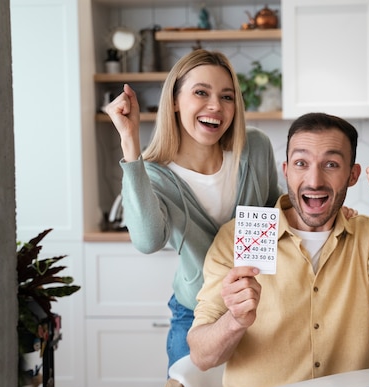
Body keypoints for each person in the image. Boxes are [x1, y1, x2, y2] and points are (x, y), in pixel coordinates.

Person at [187, 112, 369, 387]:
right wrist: (235, 321)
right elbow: (202, 357)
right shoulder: (237, 237)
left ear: (353, 175)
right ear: (286, 171)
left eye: (331, 164)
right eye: (301, 163)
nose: (314, 180)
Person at [104, 49, 282, 368]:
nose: (216, 106)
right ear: (174, 100)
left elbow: (275, 215)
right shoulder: (154, 174)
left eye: (227, 97)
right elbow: (148, 241)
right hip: (197, 313)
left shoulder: (254, 148)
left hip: (260, 306)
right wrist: (130, 144)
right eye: (201, 92)